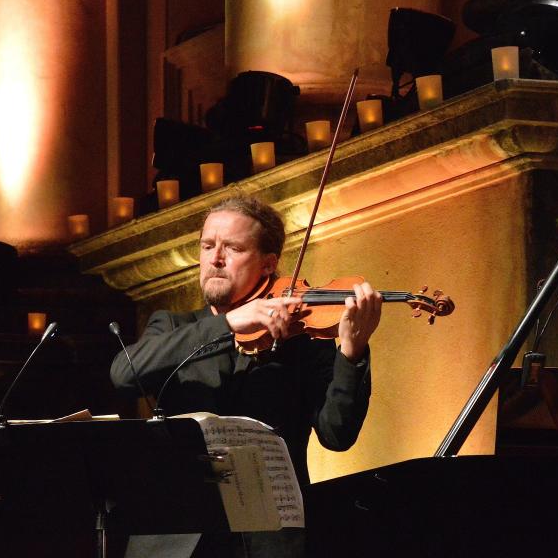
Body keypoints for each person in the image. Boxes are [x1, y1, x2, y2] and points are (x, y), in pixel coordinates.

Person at [110, 195, 382, 558]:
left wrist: (352, 352)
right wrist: (228, 323)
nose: (215, 258)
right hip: (175, 540)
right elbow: (123, 372)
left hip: (269, 542)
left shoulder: (302, 342)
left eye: (233, 248)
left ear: (268, 265)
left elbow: (337, 434)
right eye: (208, 246)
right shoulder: (174, 327)